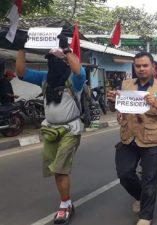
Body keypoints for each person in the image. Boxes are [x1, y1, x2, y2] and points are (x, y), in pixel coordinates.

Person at [15, 34, 86, 225]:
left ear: (65, 59)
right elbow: (21, 73)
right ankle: (67, 202)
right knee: (55, 170)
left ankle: (65, 206)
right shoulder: (45, 78)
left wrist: (66, 49)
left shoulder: (74, 79)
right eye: (51, 59)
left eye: (57, 58)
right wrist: (21, 48)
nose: (54, 62)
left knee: (61, 169)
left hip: (70, 129)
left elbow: (79, 71)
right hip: (51, 130)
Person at [107, 52, 157, 225]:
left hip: (151, 138)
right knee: (124, 174)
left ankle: (146, 216)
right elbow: (118, 107)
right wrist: (112, 100)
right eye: (138, 66)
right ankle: (140, 196)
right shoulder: (126, 84)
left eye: (145, 65)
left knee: (149, 179)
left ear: (153, 67)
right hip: (128, 136)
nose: (141, 69)